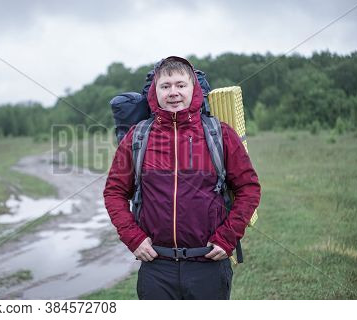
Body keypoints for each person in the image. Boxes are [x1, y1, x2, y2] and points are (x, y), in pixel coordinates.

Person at [104, 56, 261, 300]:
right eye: (165, 86)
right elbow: (114, 192)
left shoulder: (219, 133)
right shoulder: (138, 136)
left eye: (180, 85)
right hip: (157, 267)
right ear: (155, 93)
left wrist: (228, 237)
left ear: (193, 89)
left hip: (208, 264)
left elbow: (248, 188)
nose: (173, 92)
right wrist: (133, 238)